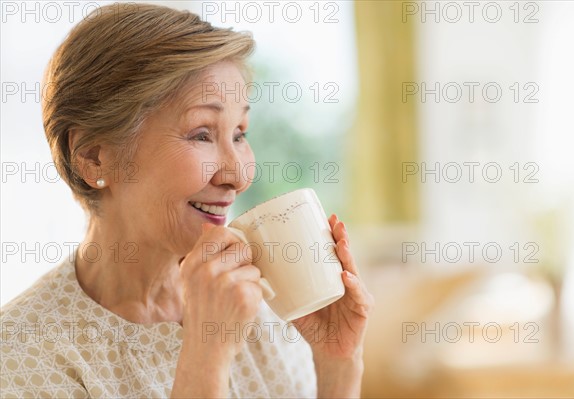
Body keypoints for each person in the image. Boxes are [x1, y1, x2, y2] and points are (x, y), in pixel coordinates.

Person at [0, 3, 373, 398]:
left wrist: (337, 364)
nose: (239, 175)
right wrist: (206, 353)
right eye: (201, 134)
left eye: (240, 133)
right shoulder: (23, 357)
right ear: (94, 157)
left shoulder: (262, 306)